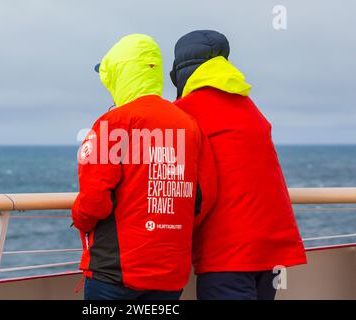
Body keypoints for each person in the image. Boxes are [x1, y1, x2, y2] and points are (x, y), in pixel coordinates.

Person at [72, 34, 216, 300]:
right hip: (169, 274)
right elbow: (204, 198)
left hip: (114, 274)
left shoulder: (113, 123)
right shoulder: (189, 125)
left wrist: (78, 218)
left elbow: (93, 201)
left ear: (119, 74)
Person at [170, 30, 307, 300]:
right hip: (270, 253)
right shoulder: (249, 107)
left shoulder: (186, 113)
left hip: (228, 254)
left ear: (181, 72)